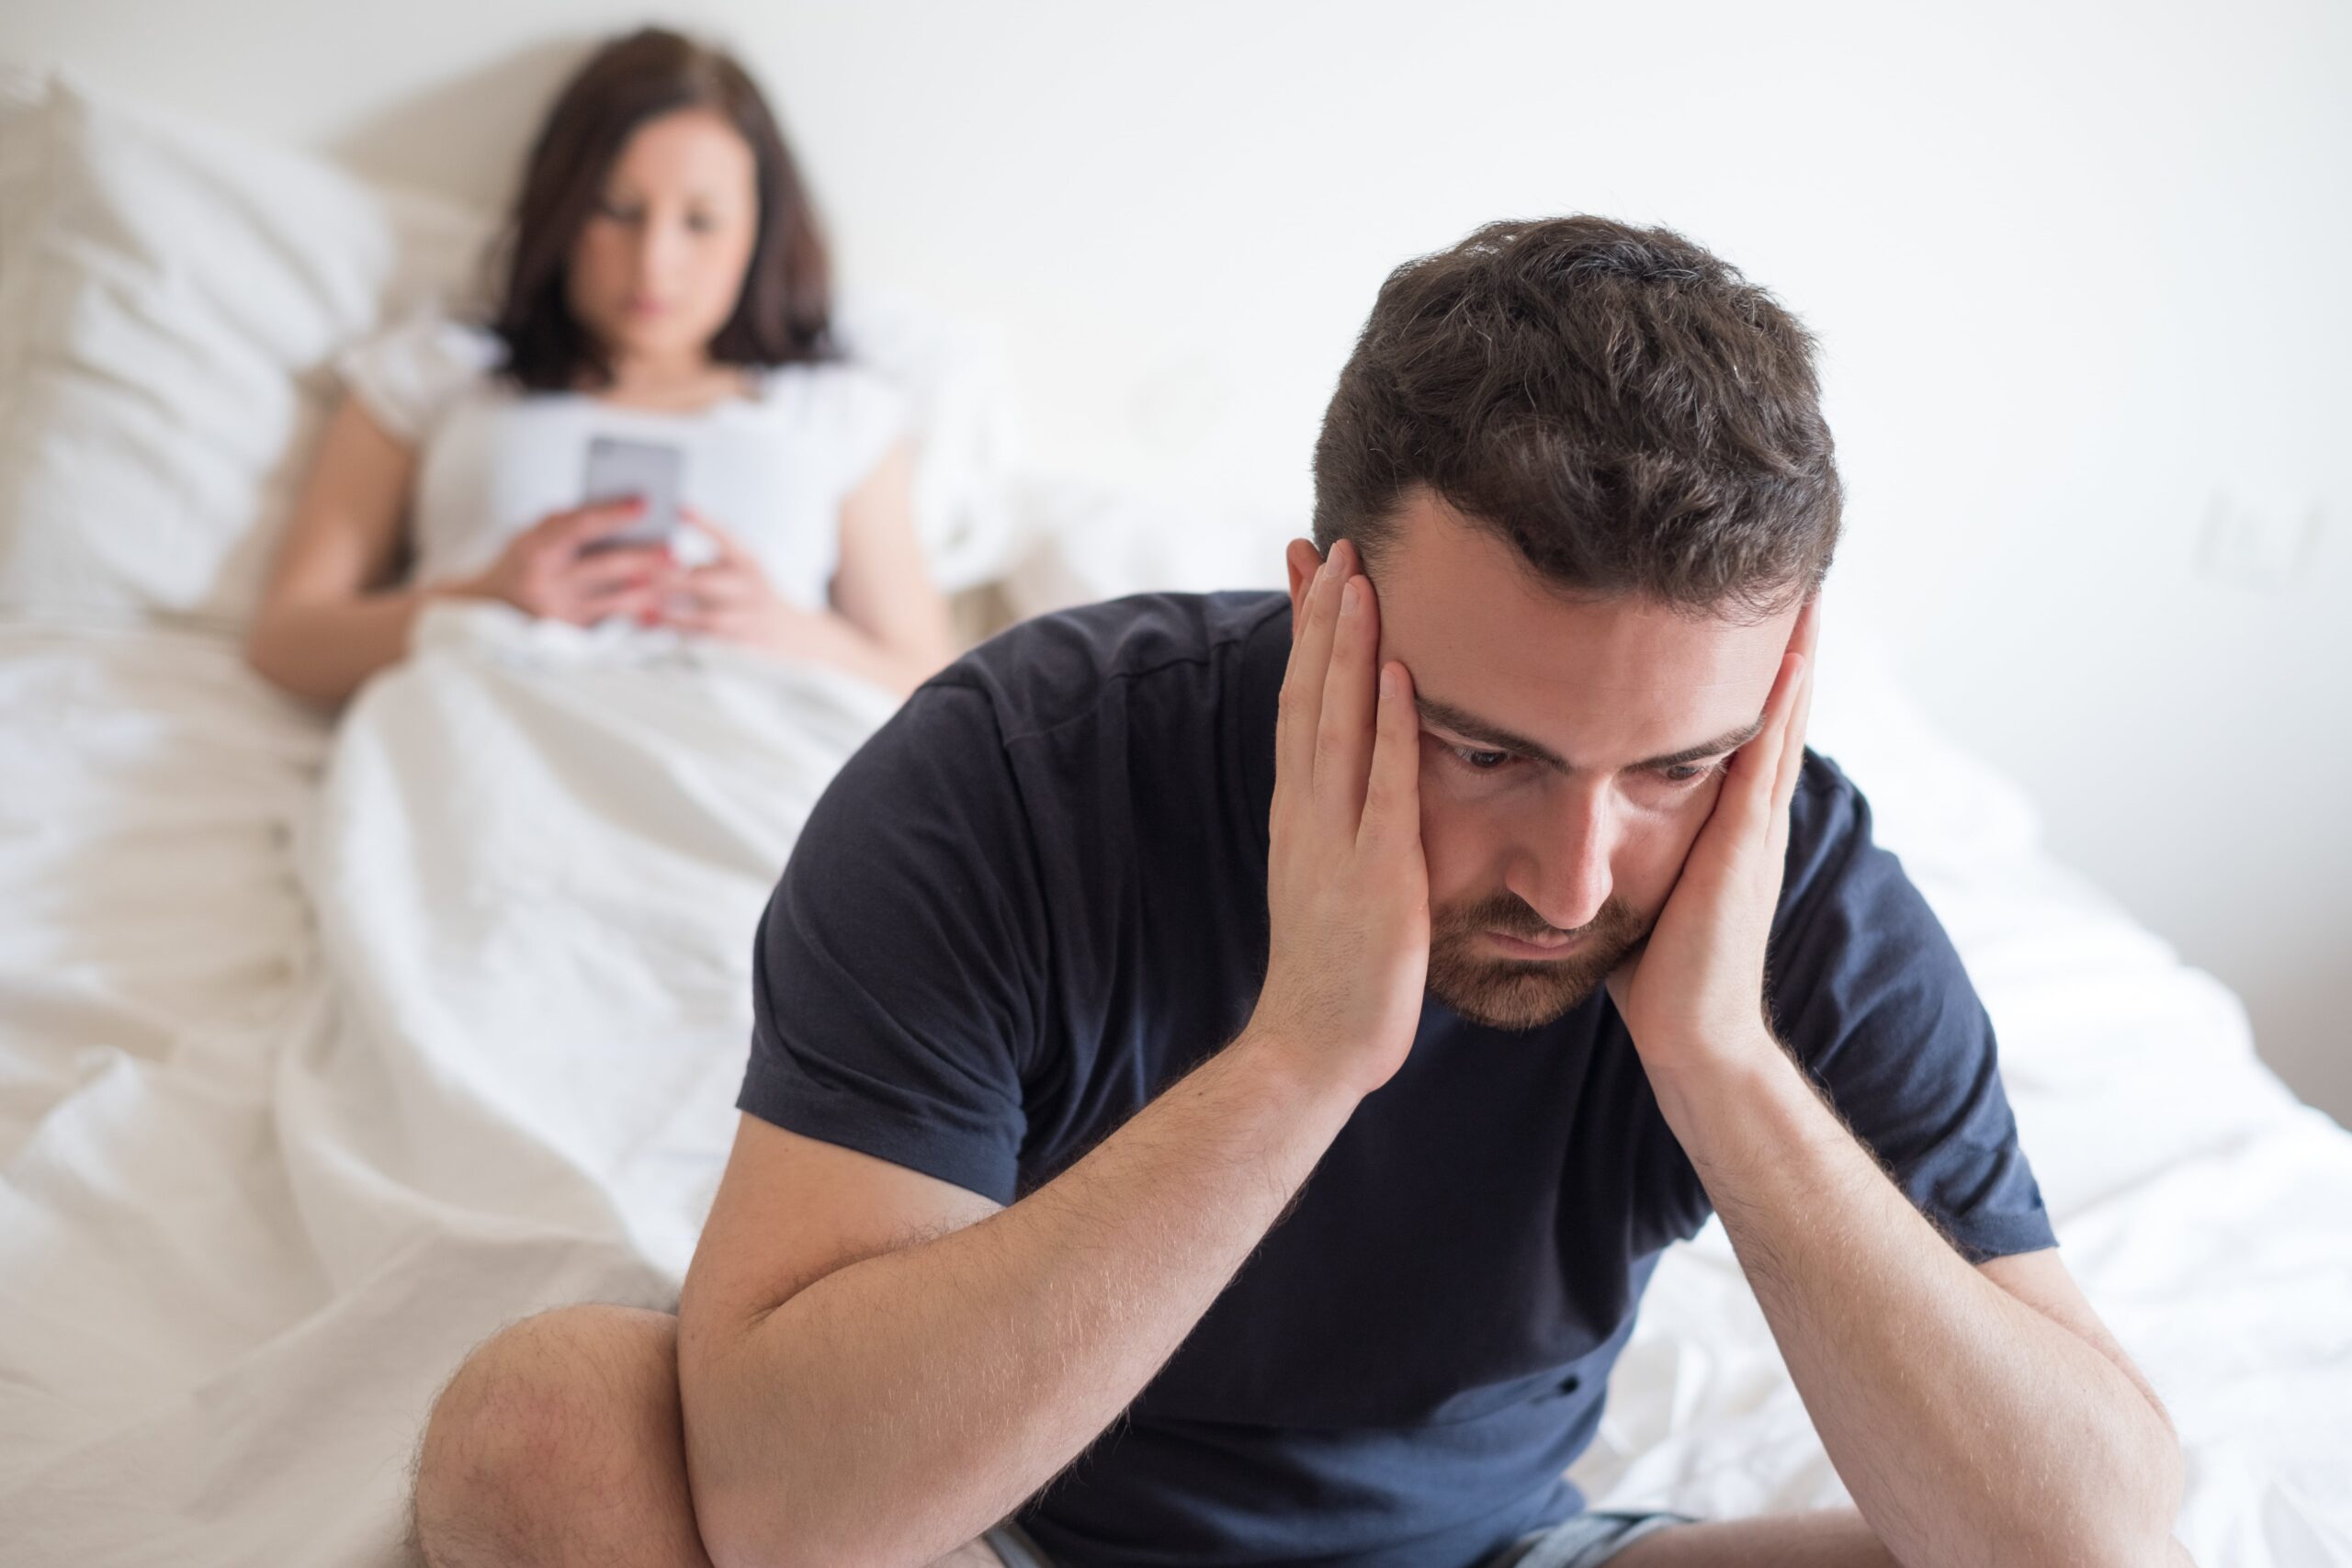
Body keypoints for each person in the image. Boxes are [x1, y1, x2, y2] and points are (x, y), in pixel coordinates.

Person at [408, 217, 2193, 1568]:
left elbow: (2096, 1536)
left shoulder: (1774, 878)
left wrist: (1722, 1064)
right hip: (1002, 1537)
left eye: (1666, 766)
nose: (1575, 878)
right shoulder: (1011, 778)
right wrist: (1299, 1058)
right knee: (550, 1420)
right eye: (1486, 748)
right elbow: (787, 1501)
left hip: (1493, 1554)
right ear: (1323, 610)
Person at [245, 28, 952, 706]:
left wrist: (792, 632)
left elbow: (934, 690)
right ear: (564, 207)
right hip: (489, 730)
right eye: (617, 210)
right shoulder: (439, 371)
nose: (654, 262)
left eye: (700, 222)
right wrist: (484, 598)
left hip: (752, 755)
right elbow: (287, 640)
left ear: (758, 234)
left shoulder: (836, 410)